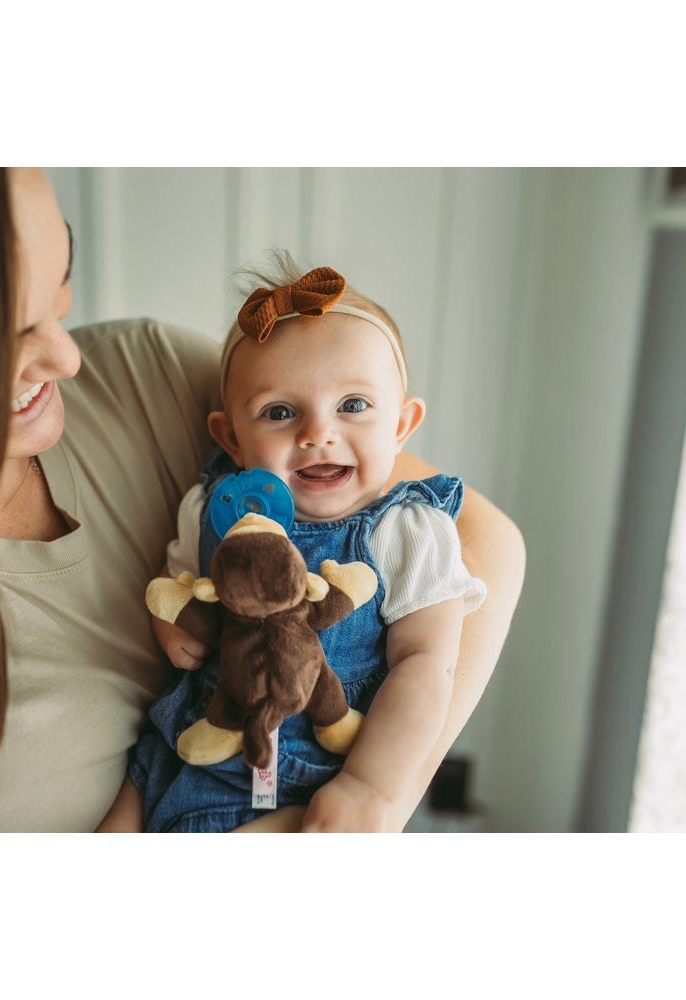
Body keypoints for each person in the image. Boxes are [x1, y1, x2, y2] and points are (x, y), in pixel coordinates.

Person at [0, 168, 524, 832]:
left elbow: (484, 544)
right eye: (2, 335)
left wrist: (370, 802)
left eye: (59, 294)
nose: (66, 356)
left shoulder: (144, 380)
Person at [122, 256, 487, 832]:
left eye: (353, 406)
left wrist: (370, 786)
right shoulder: (214, 509)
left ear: (401, 425)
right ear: (232, 439)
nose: (318, 433)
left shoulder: (405, 531)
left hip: (315, 776)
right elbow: (182, 589)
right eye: (280, 412)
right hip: (190, 745)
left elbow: (425, 665)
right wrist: (173, 631)